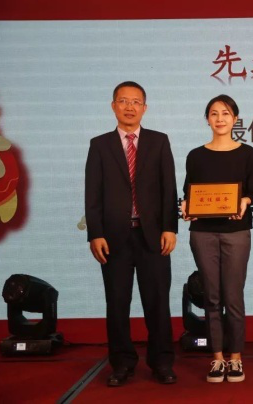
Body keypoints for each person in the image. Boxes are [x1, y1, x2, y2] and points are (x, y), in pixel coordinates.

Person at [85, 81, 178, 386]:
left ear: (144, 108)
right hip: (114, 238)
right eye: (123, 101)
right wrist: (95, 233)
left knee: (158, 303)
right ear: (113, 106)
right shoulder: (99, 145)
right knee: (117, 303)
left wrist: (170, 228)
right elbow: (92, 193)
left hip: (152, 236)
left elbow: (169, 189)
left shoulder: (159, 141)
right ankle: (122, 363)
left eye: (136, 102)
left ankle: (161, 362)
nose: (129, 107)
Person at [181, 95, 253, 383]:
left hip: (236, 232)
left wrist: (245, 201)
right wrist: (186, 206)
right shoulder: (195, 155)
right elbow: (189, 191)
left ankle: (235, 357)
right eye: (214, 114)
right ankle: (216, 358)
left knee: (233, 296)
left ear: (235, 118)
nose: (220, 119)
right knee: (211, 297)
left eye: (225, 113)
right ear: (207, 119)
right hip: (202, 232)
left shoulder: (247, 153)